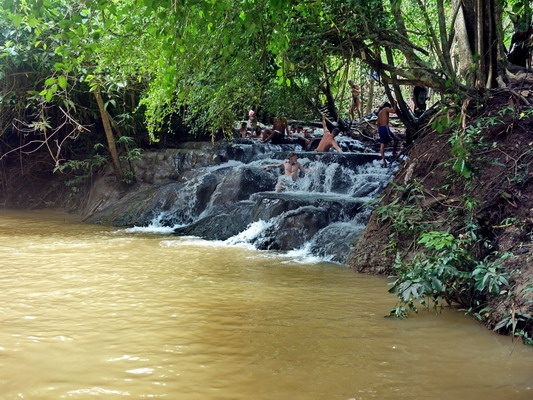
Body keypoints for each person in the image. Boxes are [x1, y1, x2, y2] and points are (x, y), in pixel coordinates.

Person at [377, 101, 399, 167]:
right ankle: (394, 152)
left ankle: (384, 160)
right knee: (396, 139)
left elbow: (378, 123)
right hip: (385, 128)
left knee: (382, 144)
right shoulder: (385, 109)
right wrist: (395, 104)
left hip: (380, 128)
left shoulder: (379, 113)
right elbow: (394, 111)